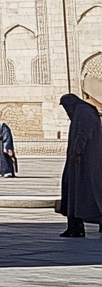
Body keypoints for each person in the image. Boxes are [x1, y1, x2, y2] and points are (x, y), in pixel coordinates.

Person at [57, 93, 102, 237]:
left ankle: (76, 227)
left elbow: (84, 133)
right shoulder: (83, 111)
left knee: (85, 192)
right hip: (82, 161)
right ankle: (75, 226)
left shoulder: (84, 112)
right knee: (74, 191)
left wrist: (77, 150)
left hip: (84, 161)